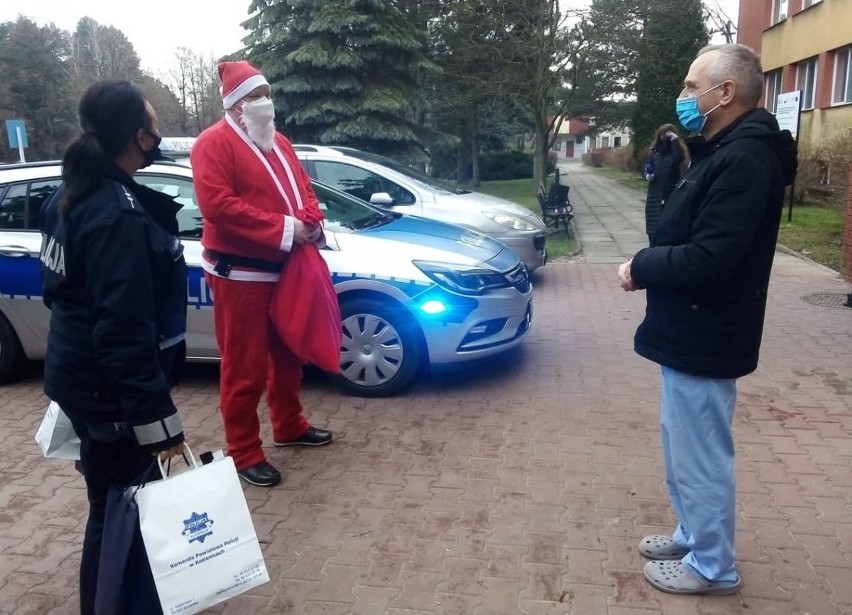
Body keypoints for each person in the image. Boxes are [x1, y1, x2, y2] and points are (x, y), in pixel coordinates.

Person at [617, 44, 797, 595]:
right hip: (689, 331)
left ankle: (713, 566)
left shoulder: (745, 159)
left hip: (708, 332)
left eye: (693, 86)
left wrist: (641, 267)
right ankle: (694, 533)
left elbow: (711, 257)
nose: (685, 96)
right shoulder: (722, 151)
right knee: (682, 445)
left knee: (701, 455)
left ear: (726, 92)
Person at [39, 80, 188, 614]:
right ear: (139, 136)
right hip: (110, 395)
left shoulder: (71, 193)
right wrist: (161, 426)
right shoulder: (115, 211)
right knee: (117, 509)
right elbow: (122, 331)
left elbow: (61, 293)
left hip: (82, 380)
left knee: (113, 502)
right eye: (152, 119)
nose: (158, 129)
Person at [191, 60, 332, 488]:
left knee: (289, 353)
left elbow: (303, 186)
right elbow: (218, 206)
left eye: (267, 93)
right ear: (235, 105)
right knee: (244, 365)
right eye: (255, 96)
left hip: (285, 267)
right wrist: (289, 229)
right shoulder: (212, 145)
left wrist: (312, 217)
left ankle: (289, 425)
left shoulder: (279, 142)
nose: (265, 102)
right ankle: (243, 451)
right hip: (240, 275)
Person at [643, 123, 687, 239]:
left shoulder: (675, 153)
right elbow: (647, 166)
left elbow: (679, 157)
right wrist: (648, 175)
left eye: (668, 135)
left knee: (668, 229)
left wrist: (675, 140)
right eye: (663, 134)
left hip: (670, 194)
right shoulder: (654, 152)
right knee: (652, 228)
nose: (664, 138)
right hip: (654, 195)